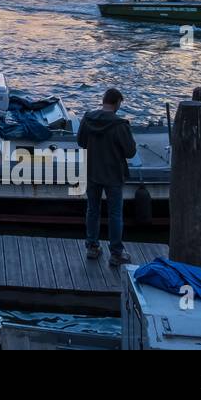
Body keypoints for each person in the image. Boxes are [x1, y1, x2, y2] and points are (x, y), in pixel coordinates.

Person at [78, 88, 137, 266]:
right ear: (117, 102)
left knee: (92, 210)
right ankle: (116, 253)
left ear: (104, 100)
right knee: (115, 214)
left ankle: (92, 247)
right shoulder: (120, 125)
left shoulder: (88, 118)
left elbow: (81, 142)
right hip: (113, 175)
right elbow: (130, 152)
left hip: (92, 172)